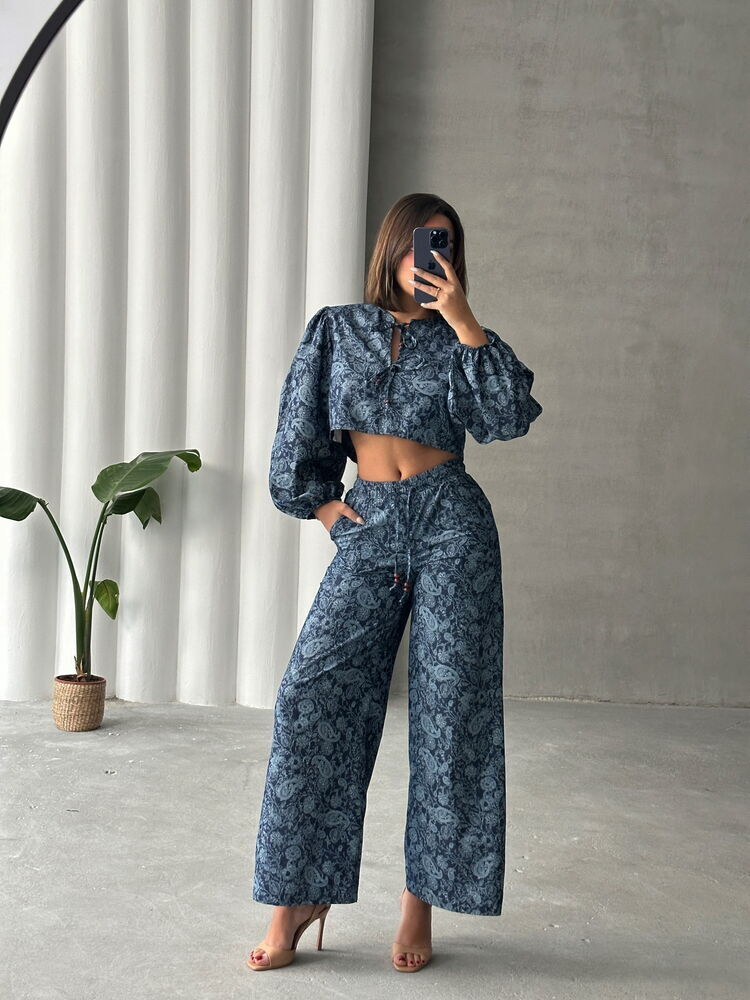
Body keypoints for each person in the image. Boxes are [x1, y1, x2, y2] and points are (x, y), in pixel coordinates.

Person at [247, 193, 543, 972]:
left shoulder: (462, 339)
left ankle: (420, 903)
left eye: (446, 245)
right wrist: (325, 510)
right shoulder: (337, 329)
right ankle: (298, 896)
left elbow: (508, 417)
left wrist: (466, 321)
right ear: (393, 247)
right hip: (370, 520)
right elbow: (298, 434)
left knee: (450, 716)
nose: (432, 257)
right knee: (310, 696)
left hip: (453, 525)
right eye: (421, 242)